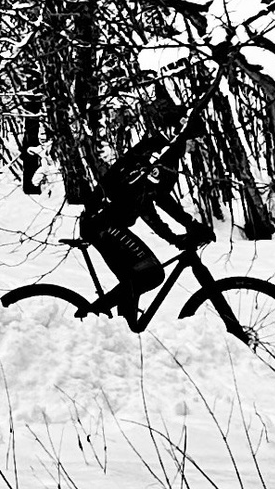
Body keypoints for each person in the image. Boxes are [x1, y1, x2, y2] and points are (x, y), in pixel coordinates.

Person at [79, 94, 212, 320]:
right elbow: (146, 205)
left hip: (105, 223)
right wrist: (177, 235)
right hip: (102, 224)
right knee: (149, 275)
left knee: (138, 278)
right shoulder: (157, 154)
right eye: (195, 140)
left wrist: (190, 227)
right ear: (184, 135)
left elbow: (159, 198)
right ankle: (92, 318)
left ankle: (124, 330)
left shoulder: (164, 155)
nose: (196, 146)